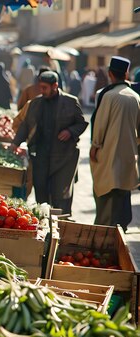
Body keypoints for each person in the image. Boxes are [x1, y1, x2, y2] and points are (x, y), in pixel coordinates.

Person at [12, 72, 87, 215]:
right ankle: (45, 225)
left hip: (63, 157)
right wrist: (15, 144)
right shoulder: (35, 103)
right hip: (40, 156)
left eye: (45, 87)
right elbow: (25, 126)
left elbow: (81, 123)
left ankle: (62, 224)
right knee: (41, 193)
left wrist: (70, 131)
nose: (42, 91)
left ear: (55, 86)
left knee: (61, 195)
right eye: (40, 87)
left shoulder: (70, 102)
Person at [89, 56, 140, 232]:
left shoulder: (109, 96)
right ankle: (121, 229)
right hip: (128, 158)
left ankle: (105, 233)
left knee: (105, 195)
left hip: (108, 156)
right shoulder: (135, 98)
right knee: (122, 195)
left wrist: (95, 147)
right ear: (126, 74)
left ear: (110, 74)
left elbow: (100, 126)